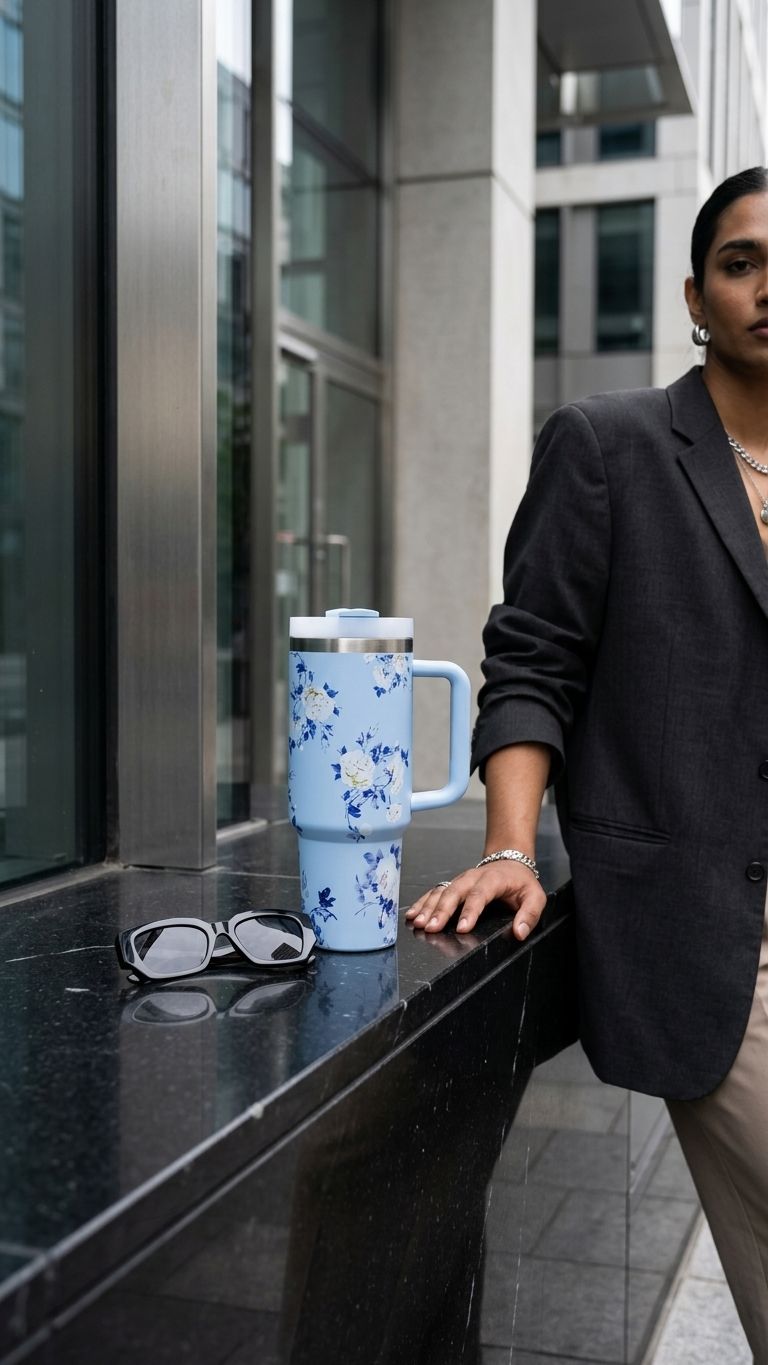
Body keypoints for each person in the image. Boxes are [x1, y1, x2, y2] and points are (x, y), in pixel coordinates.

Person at [406, 165, 768, 1361]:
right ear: (695, 294)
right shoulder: (609, 446)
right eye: (742, 261)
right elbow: (532, 664)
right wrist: (512, 846)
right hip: (714, 931)